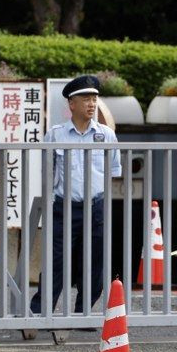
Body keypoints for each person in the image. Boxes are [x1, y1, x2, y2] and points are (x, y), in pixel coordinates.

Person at [30, 75, 121, 315]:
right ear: (72, 104)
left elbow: (113, 171)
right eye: (86, 99)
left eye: (94, 99)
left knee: (95, 261)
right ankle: (42, 311)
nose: (92, 104)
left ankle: (85, 313)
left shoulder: (107, 135)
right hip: (63, 207)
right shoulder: (56, 135)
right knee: (56, 260)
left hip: (96, 207)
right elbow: (47, 172)